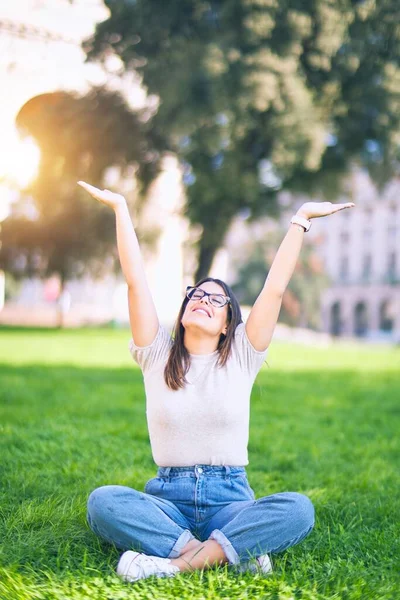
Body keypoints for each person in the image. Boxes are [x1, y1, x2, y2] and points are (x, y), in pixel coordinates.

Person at [78, 180, 354, 582]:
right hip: (167, 499)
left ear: (229, 325)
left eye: (216, 299)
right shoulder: (156, 355)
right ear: (184, 306)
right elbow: (136, 281)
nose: (203, 300)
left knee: (299, 509)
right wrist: (122, 210)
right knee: (103, 502)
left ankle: (171, 565)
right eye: (197, 295)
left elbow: (273, 292)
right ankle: (228, 553)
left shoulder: (242, 355)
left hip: (231, 498)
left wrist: (300, 221)